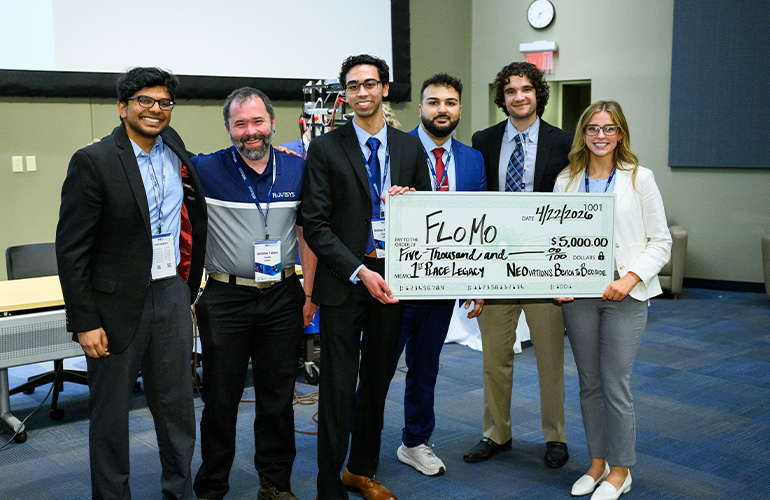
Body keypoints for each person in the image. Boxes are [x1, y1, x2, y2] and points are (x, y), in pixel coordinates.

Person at [55, 67, 207, 499]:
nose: (155, 110)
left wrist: (187, 288)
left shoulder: (175, 149)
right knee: (110, 416)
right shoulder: (94, 160)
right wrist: (84, 321)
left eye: (163, 103)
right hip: (116, 305)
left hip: (171, 294)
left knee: (177, 409)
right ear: (123, 108)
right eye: (144, 101)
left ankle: (180, 492)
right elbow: (72, 250)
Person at [302, 54, 431, 500]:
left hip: (392, 283)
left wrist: (409, 202)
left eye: (370, 84)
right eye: (353, 86)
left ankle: (361, 470)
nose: (362, 92)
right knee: (338, 391)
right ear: (346, 94)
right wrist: (358, 271)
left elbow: (427, 216)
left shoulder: (410, 148)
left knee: (376, 384)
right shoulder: (325, 148)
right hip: (344, 283)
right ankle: (328, 486)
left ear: (385, 89)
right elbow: (315, 224)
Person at [191, 88, 317, 500]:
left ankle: (275, 484)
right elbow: (153, 159)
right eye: (240, 124)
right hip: (226, 300)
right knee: (220, 401)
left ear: (273, 122)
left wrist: (310, 297)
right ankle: (212, 487)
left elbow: (307, 235)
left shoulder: (298, 169)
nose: (250, 132)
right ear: (228, 128)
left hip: (282, 296)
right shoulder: (204, 169)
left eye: (257, 122)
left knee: (278, 399)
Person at [554, 101, 671, 499]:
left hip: (625, 293)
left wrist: (631, 277)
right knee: (588, 383)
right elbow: (556, 242)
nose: (600, 136)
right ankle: (596, 463)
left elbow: (661, 242)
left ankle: (621, 471)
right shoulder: (566, 180)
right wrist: (556, 279)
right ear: (582, 133)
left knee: (615, 383)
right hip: (579, 294)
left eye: (609, 128)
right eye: (593, 128)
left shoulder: (640, 178)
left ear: (620, 133)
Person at [465, 61, 572, 468]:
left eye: (526, 89)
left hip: (544, 265)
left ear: (538, 93)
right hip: (494, 264)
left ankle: (555, 437)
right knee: (494, 357)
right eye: (510, 91)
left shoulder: (564, 142)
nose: (518, 96)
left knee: (549, 359)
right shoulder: (484, 139)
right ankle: (496, 433)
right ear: (502, 97)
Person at [386, 73, 486, 477]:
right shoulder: (394, 149)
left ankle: (415, 442)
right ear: (421, 108)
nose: (441, 109)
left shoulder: (472, 159)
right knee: (378, 367)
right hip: (394, 283)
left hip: (442, 284)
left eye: (449, 102)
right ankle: (356, 441)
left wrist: (476, 281)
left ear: (460, 109)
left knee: (425, 367)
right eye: (433, 102)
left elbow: (480, 225)